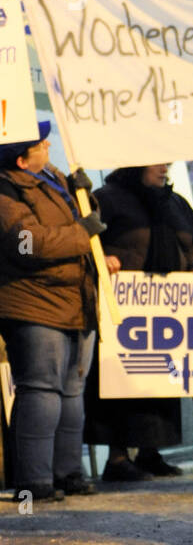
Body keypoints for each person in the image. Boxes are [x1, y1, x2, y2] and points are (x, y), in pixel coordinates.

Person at [0, 121, 109, 501]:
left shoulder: (53, 179)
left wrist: (85, 196)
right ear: (22, 158)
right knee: (41, 391)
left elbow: (85, 224)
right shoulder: (6, 190)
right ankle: (34, 481)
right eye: (40, 143)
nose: (48, 144)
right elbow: (26, 245)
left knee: (71, 393)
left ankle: (68, 472)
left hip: (75, 302)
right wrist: (83, 232)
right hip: (35, 305)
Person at [85, 164, 193, 481]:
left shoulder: (175, 202)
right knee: (121, 380)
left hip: (166, 309)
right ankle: (117, 459)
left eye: (167, 161)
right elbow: (87, 239)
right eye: (157, 161)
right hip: (122, 311)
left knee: (160, 378)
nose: (165, 166)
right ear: (136, 165)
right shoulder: (107, 198)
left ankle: (150, 452)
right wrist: (104, 260)